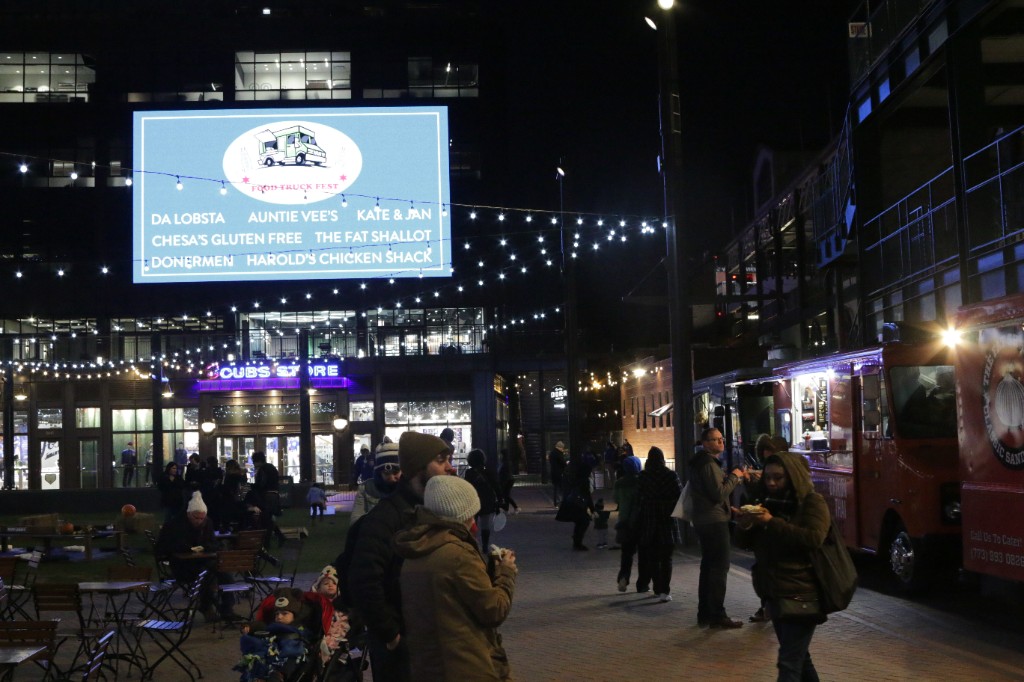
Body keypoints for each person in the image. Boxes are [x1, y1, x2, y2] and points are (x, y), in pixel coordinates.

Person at [346, 431, 454, 682]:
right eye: (440, 460)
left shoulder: (430, 511)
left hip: (431, 638)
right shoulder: (384, 519)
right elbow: (364, 580)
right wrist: (391, 634)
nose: (449, 467)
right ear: (418, 466)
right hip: (401, 645)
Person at [393, 474, 517, 681]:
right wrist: (506, 573)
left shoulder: (415, 549)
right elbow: (493, 610)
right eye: (471, 514)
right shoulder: (458, 555)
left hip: (429, 666)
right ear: (462, 515)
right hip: (466, 666)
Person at [733, 451, 830, 681]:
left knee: (788, 663)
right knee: (799, 658)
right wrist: (745, 525)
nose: (772, 483)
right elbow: (744, 543)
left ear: (793, 476)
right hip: (774, 591)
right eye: (767, 478)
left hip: (802, 592)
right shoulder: (765, 503)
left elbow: (814, 538)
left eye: (778, 477)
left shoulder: (811, 502)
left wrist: (771, 522)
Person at [690, 427, 750, 628]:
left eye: (721, 439)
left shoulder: (704, 462)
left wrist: (728, 508)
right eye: (715, 440)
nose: (721, 443)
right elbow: (718, 493)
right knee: (719, 568)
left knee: (708, 567)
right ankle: (717, 615)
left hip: (707, 519)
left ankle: (705, 613)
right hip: (713, 522)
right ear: (705, 443)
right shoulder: (708, 463)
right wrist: (735, 476)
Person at [154, 491, 232, 622]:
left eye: (202, 518)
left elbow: (213, 543)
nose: (199, 521)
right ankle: (207, 606)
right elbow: (163, 548)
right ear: (188, 514)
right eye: (196, 518)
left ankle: (227, 608)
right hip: (183, 567)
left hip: (205, 563)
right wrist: (186, 549)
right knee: (207, 574)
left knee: (223, 572)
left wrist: (205, 547)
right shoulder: (174, 525)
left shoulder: (208, 524)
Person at [748, 434, 789, 622]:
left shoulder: (793, 480)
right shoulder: (764, 475)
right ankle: (767, 607)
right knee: (762, 571)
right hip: (764, 535)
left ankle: (774, 607)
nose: (771, 481)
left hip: (779, 534)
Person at [237, 590, 319, 682]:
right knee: (258, 652)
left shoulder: (299, 626)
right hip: (275, 648)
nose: (279, 617)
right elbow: (263, 625)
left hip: (293, 648)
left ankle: (280, 675)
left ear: (294, 616)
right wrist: (249, 626)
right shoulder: (273, 625)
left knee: (293, 656)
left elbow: (308, 636)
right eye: (277, 614)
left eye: (284, 614)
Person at [635, 447, 683, 602]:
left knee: (654, 557)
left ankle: (656, 588)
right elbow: (680, 494)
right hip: (667, 521)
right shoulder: (670, 475)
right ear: (662, 459)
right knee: (666, 558)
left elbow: (638, 497)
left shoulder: (643, 476)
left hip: (649, 521)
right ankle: (665, 591)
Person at [462, 448, 503, 553]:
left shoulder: (469, 473)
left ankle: (473, 544)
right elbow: (496, 486)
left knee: (472, 523)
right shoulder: (488, 472)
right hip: (487, 500)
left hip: (473, 501)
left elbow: (466, 487)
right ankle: (485, 545)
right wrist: (500, 499)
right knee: (485, 524)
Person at [350, 440, 400, 524]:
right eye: (386, 473)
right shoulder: (365, 489)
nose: (391, 478)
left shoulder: (410, 488)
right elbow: (355, 521)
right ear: (379, 472)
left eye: (395, 472)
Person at [614, 455, 643, 592]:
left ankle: (623, 577)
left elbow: (616, 499)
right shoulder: (641, 482)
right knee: (643, 553)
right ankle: (643, 583)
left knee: (626, 554)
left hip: (624, 522)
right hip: (640, 521)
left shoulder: (619, 483)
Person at [555, 450, 595, 550]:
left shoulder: (576, 477)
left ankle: (577, 540)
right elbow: (587, 495)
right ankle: (578, 542)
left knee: (580, 522)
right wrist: (592, 509)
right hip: (578, 504)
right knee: (584, 521)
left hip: (574, 503)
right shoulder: (584, 480)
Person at [498, 449, 519, 515]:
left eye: (500, 454)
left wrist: (502, 483)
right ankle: (507, 509)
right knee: (506, 495)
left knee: (506, 495)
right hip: (509, 480)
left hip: (507, 480)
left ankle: (514, 508)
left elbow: (505, 473)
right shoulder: (506, 462)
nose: (499, 456)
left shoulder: (505, 462)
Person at [548, 441, 567, 507]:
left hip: (553, 473)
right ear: (560, 447)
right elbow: (563, 463)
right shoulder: (559, 453)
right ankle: (560, 502)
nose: (563, 449)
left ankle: (556, 502)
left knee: (555, 488)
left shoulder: (552, 453)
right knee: (561, 488)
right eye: (562, 448)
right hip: (559, 473)